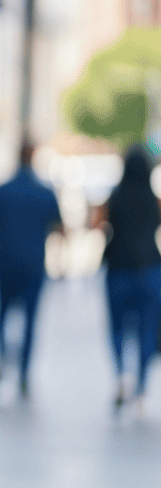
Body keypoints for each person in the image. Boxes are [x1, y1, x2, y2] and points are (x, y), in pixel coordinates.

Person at [0, 139, 63, 398]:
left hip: (5, 262)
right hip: (33, 265)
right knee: (30, 319)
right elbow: (60, 230)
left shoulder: (2, 190)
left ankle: (3, 356)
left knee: (2, 314)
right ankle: (24, 374)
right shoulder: (45, 191)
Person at [98, 143, 161, 412]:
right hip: (149, 269)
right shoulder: (153, 199)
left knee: (117, 328)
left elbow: (101, 225)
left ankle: (122, 373)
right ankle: (142, 386)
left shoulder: (115, 196)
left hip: (119, 268)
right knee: (147, 329)